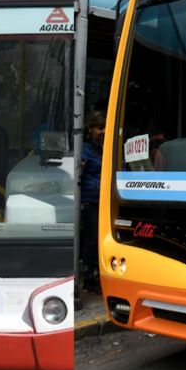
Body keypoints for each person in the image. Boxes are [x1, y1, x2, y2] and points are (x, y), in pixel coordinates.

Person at [80, 110, 106, 293]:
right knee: (92, 237)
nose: (103, 131)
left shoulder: (108, 147)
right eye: (99, 128)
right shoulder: (84, 149)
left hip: (107, 199)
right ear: (90, 129)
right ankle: (89, 277)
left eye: (106, 127)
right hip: (91, 200)